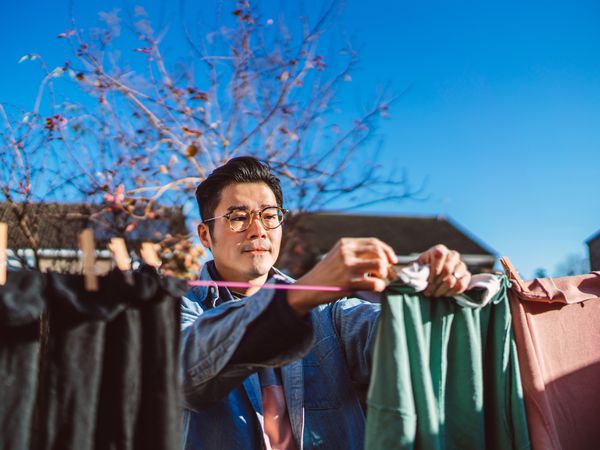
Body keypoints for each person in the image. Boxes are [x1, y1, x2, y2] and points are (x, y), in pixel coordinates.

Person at [180, 156, 472, 450]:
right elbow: (184, 370)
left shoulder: (329, 312)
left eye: (269, 215)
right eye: (238, 217)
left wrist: (429, 291)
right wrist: (296, 297)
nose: (259, 230)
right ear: (205, 234)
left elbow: (407, 345)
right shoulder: (178, 309)